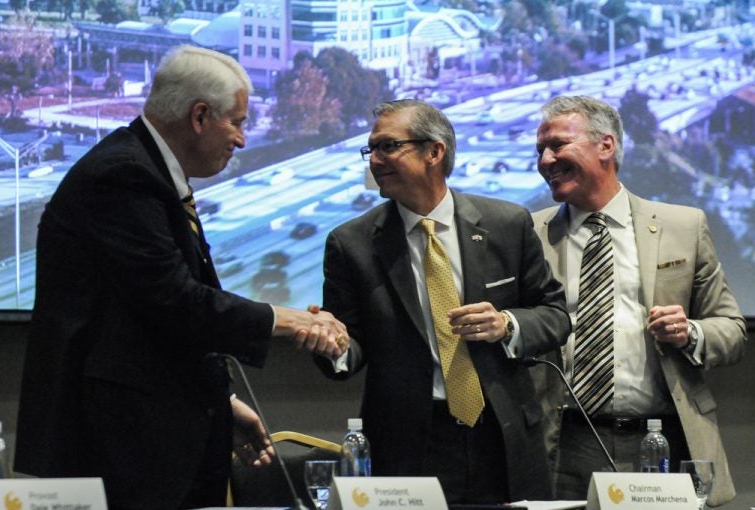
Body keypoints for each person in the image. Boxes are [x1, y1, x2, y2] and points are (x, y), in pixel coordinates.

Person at [14, 45, 348, 510]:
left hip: (156, 439)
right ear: (199, 116)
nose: (242, 140)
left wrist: (219, 399)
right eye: (238, 122)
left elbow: (149, 324)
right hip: (121, 452)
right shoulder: (123, 174)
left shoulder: (147, 168)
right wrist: (290, 322)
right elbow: (173, 299)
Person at [314, 99, 571, 503]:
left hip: (501, 434)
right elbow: (350, 347)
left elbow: (554, 316)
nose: (375, 160)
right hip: (407, 444)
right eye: (371, 149)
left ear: (434, 151)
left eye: (388, 146)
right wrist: (335, 346)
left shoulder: (507, 224)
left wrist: (507, 324)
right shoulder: (352, 244)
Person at [531, 95, 746, 504]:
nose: (545, 160)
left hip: (663, 438)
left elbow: (732, 332)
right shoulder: (529, 233)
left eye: (557, 145)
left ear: (606, 146)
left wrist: (691, 333)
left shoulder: (682, 226)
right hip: (564, 440)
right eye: (540, 150)